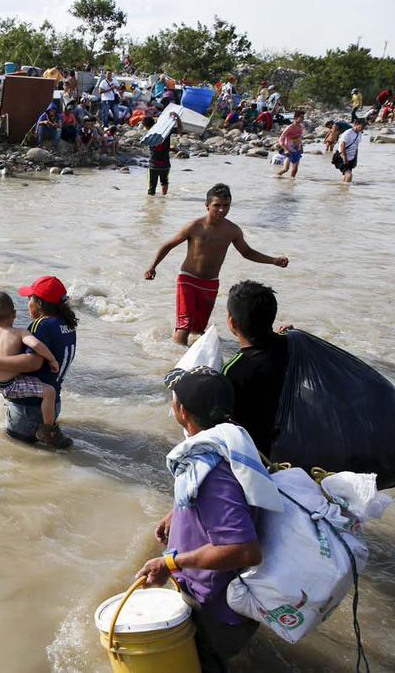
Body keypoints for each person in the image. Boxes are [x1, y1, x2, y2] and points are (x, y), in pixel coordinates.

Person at [136, 366, 282, 673]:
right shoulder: (232, 443)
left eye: (173, 400)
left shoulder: (215, 475)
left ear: (183, 412)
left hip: (215, 606)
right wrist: (177, 511)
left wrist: (170, 563)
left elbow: (244, 550)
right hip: (214, 595)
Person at [144, 183, 289, 346]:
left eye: (226, 206)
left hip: (211, 284)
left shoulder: (232, 230)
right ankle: (176, 361)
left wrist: (273, 260)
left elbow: (247, 252)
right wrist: (152, 266)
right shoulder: (195, 226)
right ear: (207, 206)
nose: (221, 210)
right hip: (188, 280)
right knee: (184, 326)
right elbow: (168, 245)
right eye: (216, 206)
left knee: (198, 330)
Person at [0, 276, 76, 449]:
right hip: (51, 406)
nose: (27, 303)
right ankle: (50, 431)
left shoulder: (40, 326)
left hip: (29, 411)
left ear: (39, 304)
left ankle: (48, 433)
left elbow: (32, 363)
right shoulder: (67, 323)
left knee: (16, 455)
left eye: (29, 298)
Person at [220, 281, 289, 457]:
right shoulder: (291, 346)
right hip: (289, 435)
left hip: (258, 452)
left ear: (232, 322)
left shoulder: (233, 370)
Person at [144, 111, 182, 196]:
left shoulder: (148, 135)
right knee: (164, 182)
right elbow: (180, 130)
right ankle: (164, 200)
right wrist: (177, 118)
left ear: (146, 126)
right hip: (165, 165)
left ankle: (150, 206)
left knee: (151, 188)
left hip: (153, 165)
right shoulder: (166, 132)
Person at [275, 110, 305, 179]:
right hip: (289, 151)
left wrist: (301, 147)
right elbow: (280, 139)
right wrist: (285, 150)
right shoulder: (289, 127)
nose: (302, 119)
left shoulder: (301, 127)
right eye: (301, 117)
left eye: (303, 118)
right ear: (295, 118)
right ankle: (275, 177)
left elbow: (299, 138)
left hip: (297, 150)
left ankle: (291, 184)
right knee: (285, 169)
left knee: (295, 169)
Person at [335, 118, 365, 183]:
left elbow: (356, 147)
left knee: (346, 174)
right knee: (349, 175)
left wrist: (355, 158)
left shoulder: (359, 134)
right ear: (356, 124)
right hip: (342, 156)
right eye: (361, 127)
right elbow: (342, 145)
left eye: (364, 127)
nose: (362, 129)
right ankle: (346, 190)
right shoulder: (348, 133)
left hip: (351, 158)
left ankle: (342, 189)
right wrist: (344, 158)